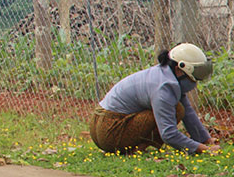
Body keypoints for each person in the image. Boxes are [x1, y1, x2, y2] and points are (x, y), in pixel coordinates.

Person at [89, 43, 218, 155]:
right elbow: (168, 133)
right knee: (177, 109)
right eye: (197, 73)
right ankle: (135, 148)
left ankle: (134, 147)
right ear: (179, 70)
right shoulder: (163, 87)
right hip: (109, 130)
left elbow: (188, 112)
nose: (197, 80)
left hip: (100, 124)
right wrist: (201, 149)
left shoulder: (165, 75)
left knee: (179, 107)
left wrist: (205, 139)